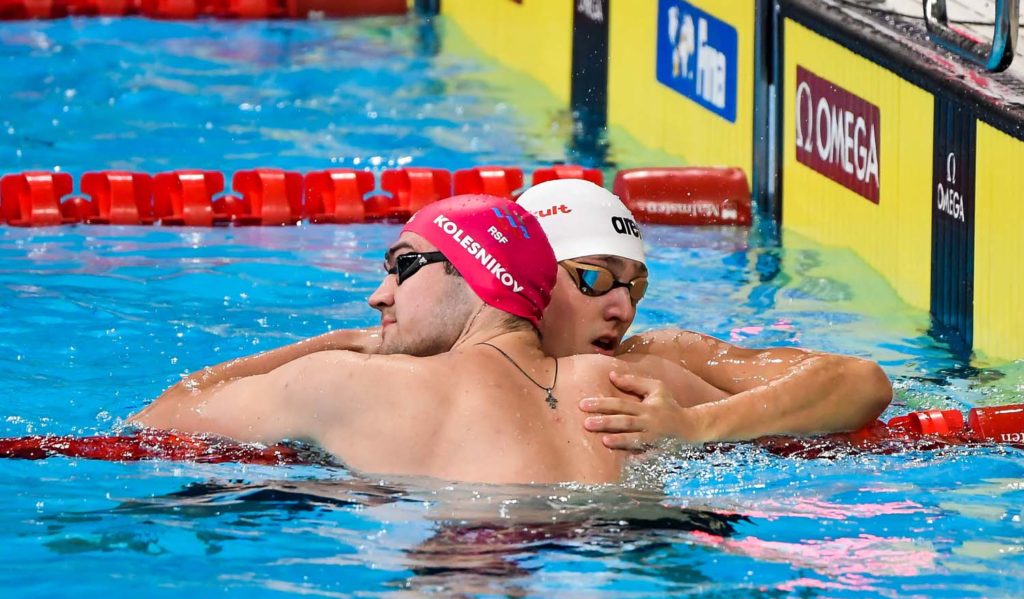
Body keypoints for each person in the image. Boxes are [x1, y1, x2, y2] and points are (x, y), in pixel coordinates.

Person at [153, 180, 891, 452]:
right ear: (528, 276)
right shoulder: (418, 357)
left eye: (635, 286)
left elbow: (857, 380)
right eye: (595, 277)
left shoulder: (652, 367)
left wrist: (700, 426)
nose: (621, 306)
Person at [133, 195, 728, 484]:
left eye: (402, 266)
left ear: (473, 273)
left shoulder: (349, 384)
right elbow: (820, 405)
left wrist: (327, 345)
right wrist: (702, 428)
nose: (379, 294)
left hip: (456, 579)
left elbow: (157, 419)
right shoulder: (635, 386)